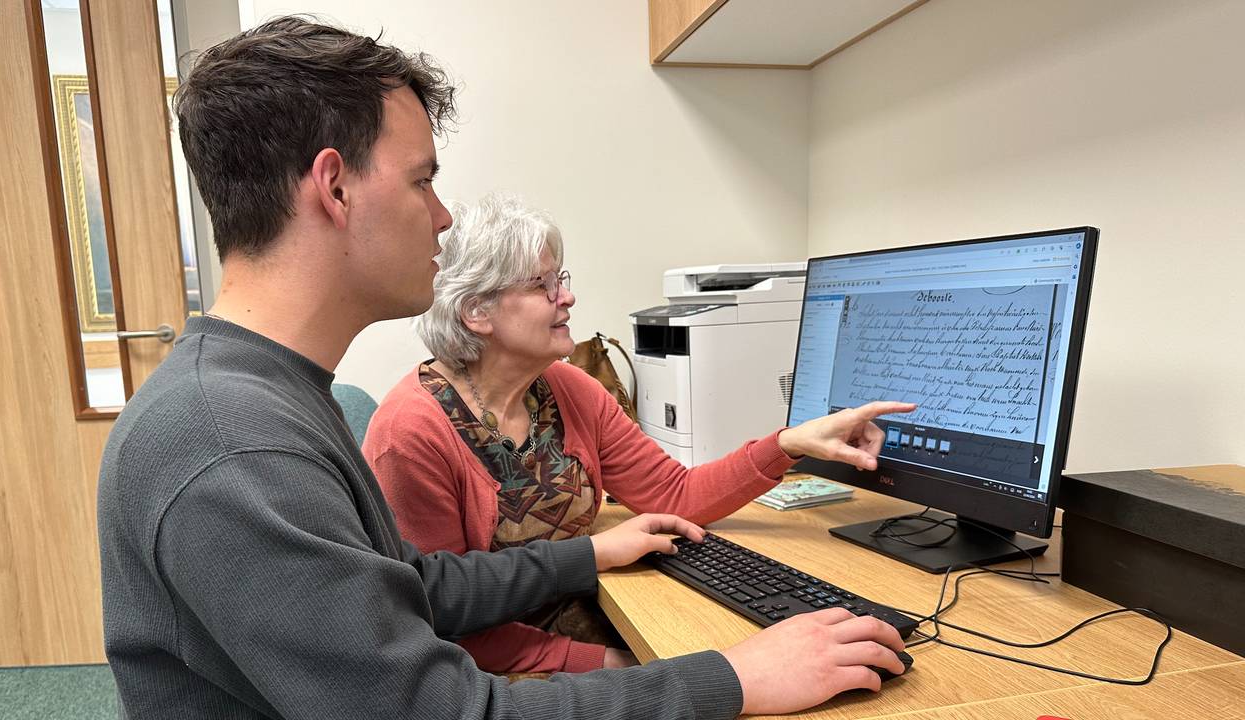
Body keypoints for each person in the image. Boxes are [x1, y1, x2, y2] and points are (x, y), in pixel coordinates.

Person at [97, 16, 907, 720]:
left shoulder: (265, 396)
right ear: (334, 188)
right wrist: (728, 678)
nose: (443, 217)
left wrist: (587, 555)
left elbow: (414, 587)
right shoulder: (234, 446)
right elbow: (439, 710)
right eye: (423, 181)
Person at [363, 194, 917, 674]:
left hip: (574, 618)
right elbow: (438, 614)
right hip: (482, 667)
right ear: (475, 311)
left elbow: (677, 496)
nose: (567, 297)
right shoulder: (411, 433)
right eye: (542, 285)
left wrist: (790, 443)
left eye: (562, 279)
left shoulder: (569, 389)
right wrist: (610, 664)